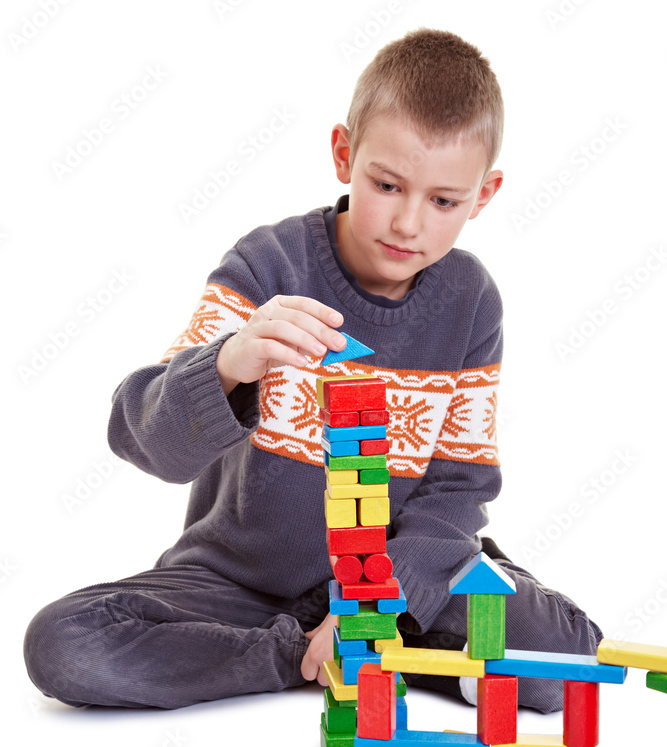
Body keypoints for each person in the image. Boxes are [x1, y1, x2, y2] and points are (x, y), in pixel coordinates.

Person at [23, 27, 601, 712]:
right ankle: (305, 656)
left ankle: (370, 644)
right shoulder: (267, 265)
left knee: (564, 663)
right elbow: (142, 440)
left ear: (483, 195)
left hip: (393, 581)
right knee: (65, 642)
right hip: (238, 584)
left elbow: (457, 488)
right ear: (343, 154)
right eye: (386, 185)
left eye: (443, 201)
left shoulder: (470, 300)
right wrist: (230, 361)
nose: (408, 223)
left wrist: (379, 603)